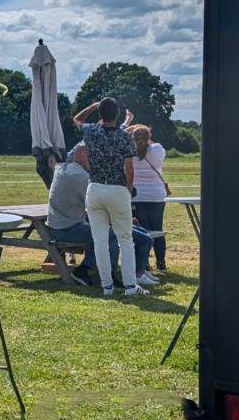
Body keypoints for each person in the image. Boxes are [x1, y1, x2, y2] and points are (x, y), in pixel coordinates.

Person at [47, 143, 154, 287]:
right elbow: (99, 206)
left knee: (134, 233)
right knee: (113, 234)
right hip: (69, 229)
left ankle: (131, 272)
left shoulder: (62, 168)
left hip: (61, 227)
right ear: (85, 155)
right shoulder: (81, 177)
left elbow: (53, 164)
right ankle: (90, 271)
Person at [74, 97, 144, 297]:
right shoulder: (124, 137)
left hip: (95, 187)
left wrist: (92, 105)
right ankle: (130, 285)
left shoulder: (92, 131)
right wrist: (128, 190)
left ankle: (107, 286)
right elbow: (129, 169)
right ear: (118, 113)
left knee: (100, 241)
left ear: (100, 114)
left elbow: (77, 119)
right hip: (117, 188)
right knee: (125, 239)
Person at [128, 125, 168, 283]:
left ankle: (144, 264)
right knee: (158, 229)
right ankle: (161, 262)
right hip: (156, 195)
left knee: (141, 231)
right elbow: (154, 147)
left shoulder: (129, 151)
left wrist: (130, 128)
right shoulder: (157, 150)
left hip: (137, 195)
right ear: (149, 136)